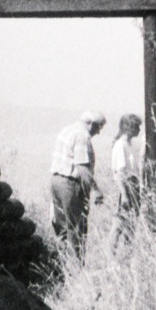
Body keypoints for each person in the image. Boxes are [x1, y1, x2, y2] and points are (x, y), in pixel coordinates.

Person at [50, 110, 105, 257]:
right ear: (91, 123)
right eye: (99, 127)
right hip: (70, 185)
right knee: (76, 229)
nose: (98, 132)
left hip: (56, 182)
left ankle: (61, 271)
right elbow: (82, 169)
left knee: (62, 230)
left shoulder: (67, 130)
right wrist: (96, 191)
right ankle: (77, 273)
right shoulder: (82, 135)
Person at [110, 113, 144, 248]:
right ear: (129, 127)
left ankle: (127, 257)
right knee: (118, 224)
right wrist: (124, 195)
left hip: (133, 186)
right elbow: (120, 173)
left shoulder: (129, 144)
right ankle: (111, 259)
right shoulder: (120, 145)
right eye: (136, 126)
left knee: (131, 224)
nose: (139, 130)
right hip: (126, 187)